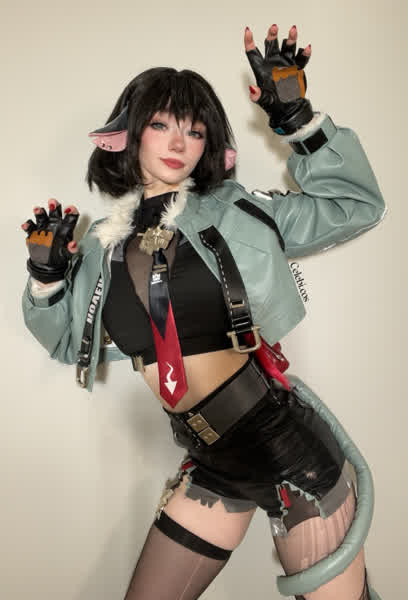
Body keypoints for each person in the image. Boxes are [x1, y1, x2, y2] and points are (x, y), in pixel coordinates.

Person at [21, 23, 385, 600]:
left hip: (292, 458)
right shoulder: (99, 247)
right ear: (128, 134)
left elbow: (355, 206)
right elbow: (68, 341)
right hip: (211, 460)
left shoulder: (237, 211)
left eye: (194, 130)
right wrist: (45, 282)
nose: (178, 142)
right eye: (161, 124)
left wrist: (299, 121)